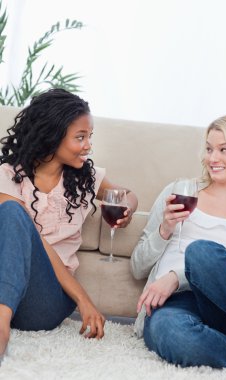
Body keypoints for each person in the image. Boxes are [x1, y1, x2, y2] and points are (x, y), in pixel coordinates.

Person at [0, 88, 138, 360]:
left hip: (46, 300)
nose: (88, 145)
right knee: (14, 214)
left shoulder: (85, 178)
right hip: (7, 284)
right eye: (80, 137)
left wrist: (128, 208)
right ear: (52, 137)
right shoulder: (7, 175)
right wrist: (84, 299)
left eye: (89, 137)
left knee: (15, 214)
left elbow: (128, 195)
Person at [131, 113, 226, 368]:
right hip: (172, 305)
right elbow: (137, 267)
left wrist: (175, 277)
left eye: (224, 150)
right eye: (209, 148)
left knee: (201, 252)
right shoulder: (179, 191)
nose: (212, 158)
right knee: (172, 333)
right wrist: (164, 229)